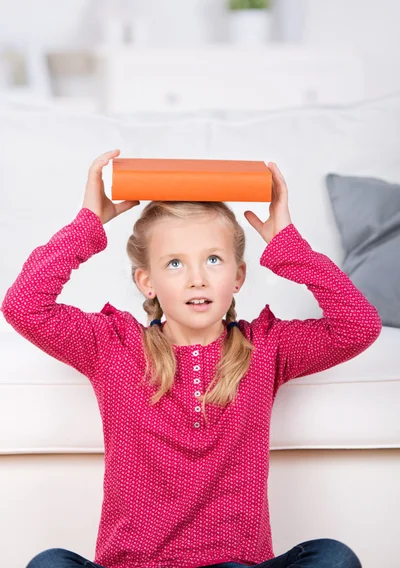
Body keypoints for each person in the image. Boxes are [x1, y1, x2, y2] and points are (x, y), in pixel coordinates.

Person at [2, 150, 381, 568]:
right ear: (147, 282)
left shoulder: (266, 348)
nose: (197, 277)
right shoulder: (113, 346)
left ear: (237, 276)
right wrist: (87, 226)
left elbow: (358, 326)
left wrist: (289, 247)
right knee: (50, 562)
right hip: (135, 565)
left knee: (333, 556)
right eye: (175, 263)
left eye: (213, 260)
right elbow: (24, 306)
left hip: (236, 564)